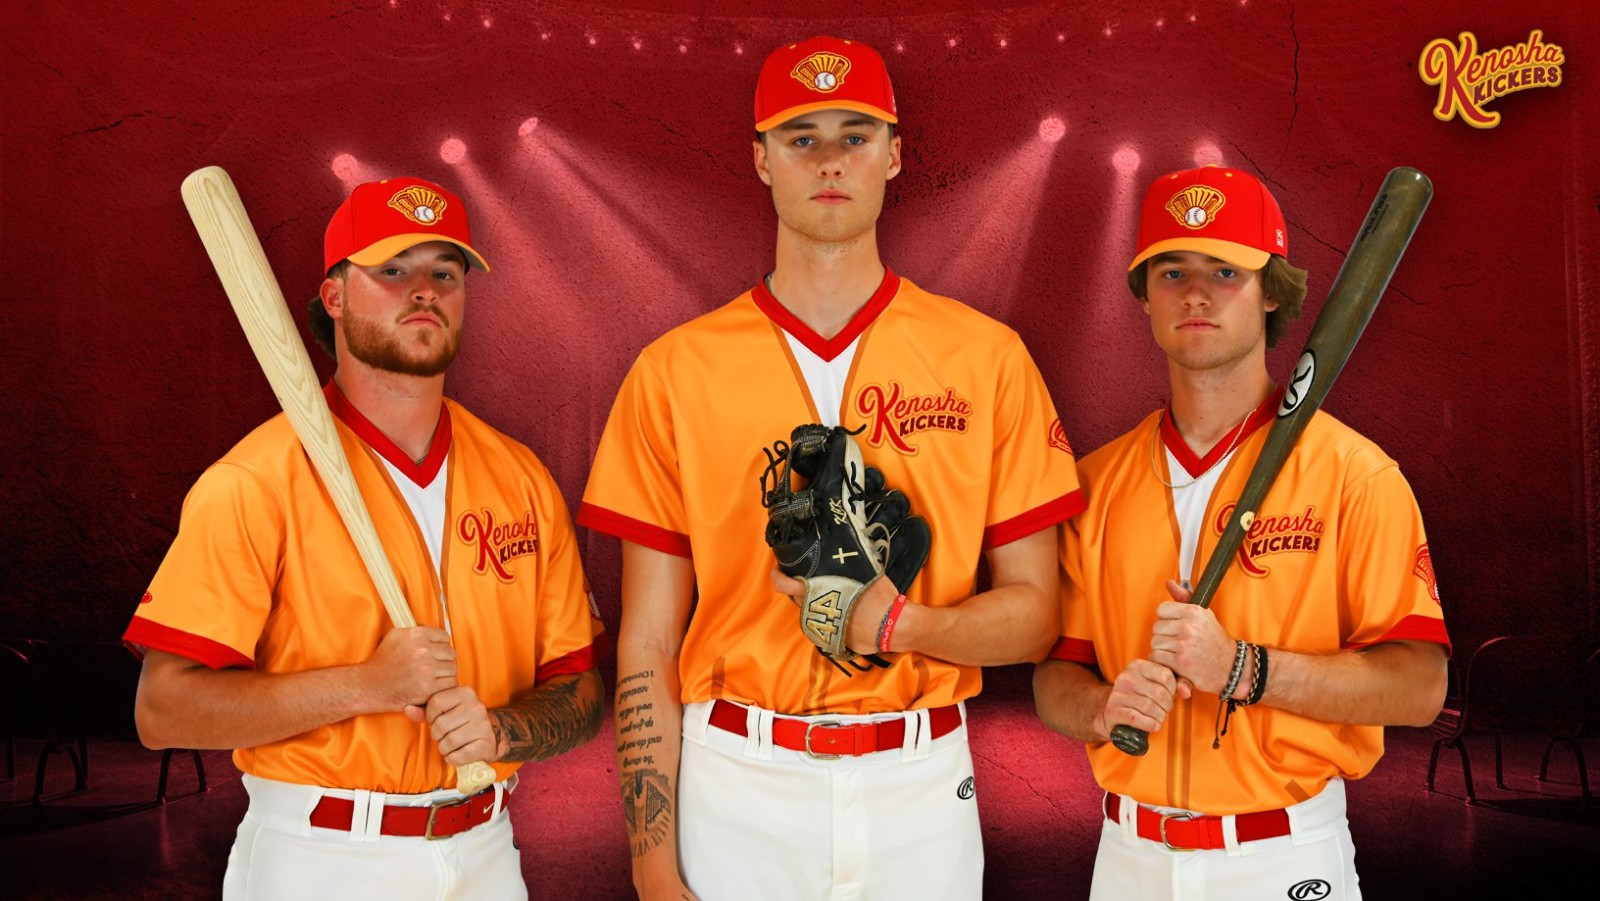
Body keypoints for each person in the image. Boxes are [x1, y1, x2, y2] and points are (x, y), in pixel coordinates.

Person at [578, 35, 1083, 901]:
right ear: (761, 160)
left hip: (920, 780)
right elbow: (649, 640)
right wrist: (651, 862)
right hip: (738, 776)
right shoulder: (675, 370)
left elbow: (1036, 616)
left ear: (895, 154)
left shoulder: (987, 358)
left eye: (855, 134)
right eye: (800, 137)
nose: (829, 160)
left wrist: (901, 626)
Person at [126, 175, 606, 900]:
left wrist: (501, 731)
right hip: (324, 856)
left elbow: (579, 688)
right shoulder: (256, 480)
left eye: (445, 273)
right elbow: (162, 710)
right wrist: (367, 685)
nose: (424, 291)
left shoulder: (520, 477)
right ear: (335, 296)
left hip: (487, 851)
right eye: (392, 270)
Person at [1032, 164, 1451, 900]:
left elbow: (1420, 687)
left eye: (1226, 270)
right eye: (1172, 271)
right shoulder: (1094, 485)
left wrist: (1245, 669)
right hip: (1129, 858)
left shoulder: (1355, 474)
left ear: (1272, 292)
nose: (1196, 293)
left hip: (1280, 858)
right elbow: (1055, 677)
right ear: (1144, 294)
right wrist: (1101, 708)